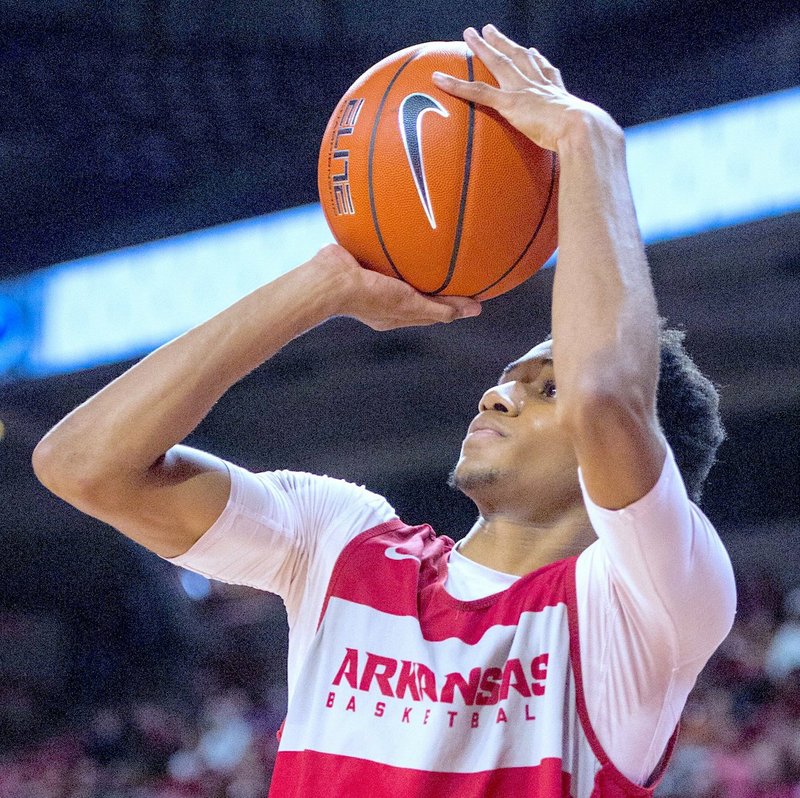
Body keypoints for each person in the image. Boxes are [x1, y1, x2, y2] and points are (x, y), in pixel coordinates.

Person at [33, 24, 736, 798]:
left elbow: (608, 396)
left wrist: (588, 138)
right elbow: (80, 465)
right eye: (511, 375)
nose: (497, 392)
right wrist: (321, 287)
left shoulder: (650, 607)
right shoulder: (343, 542)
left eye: (545, 388)